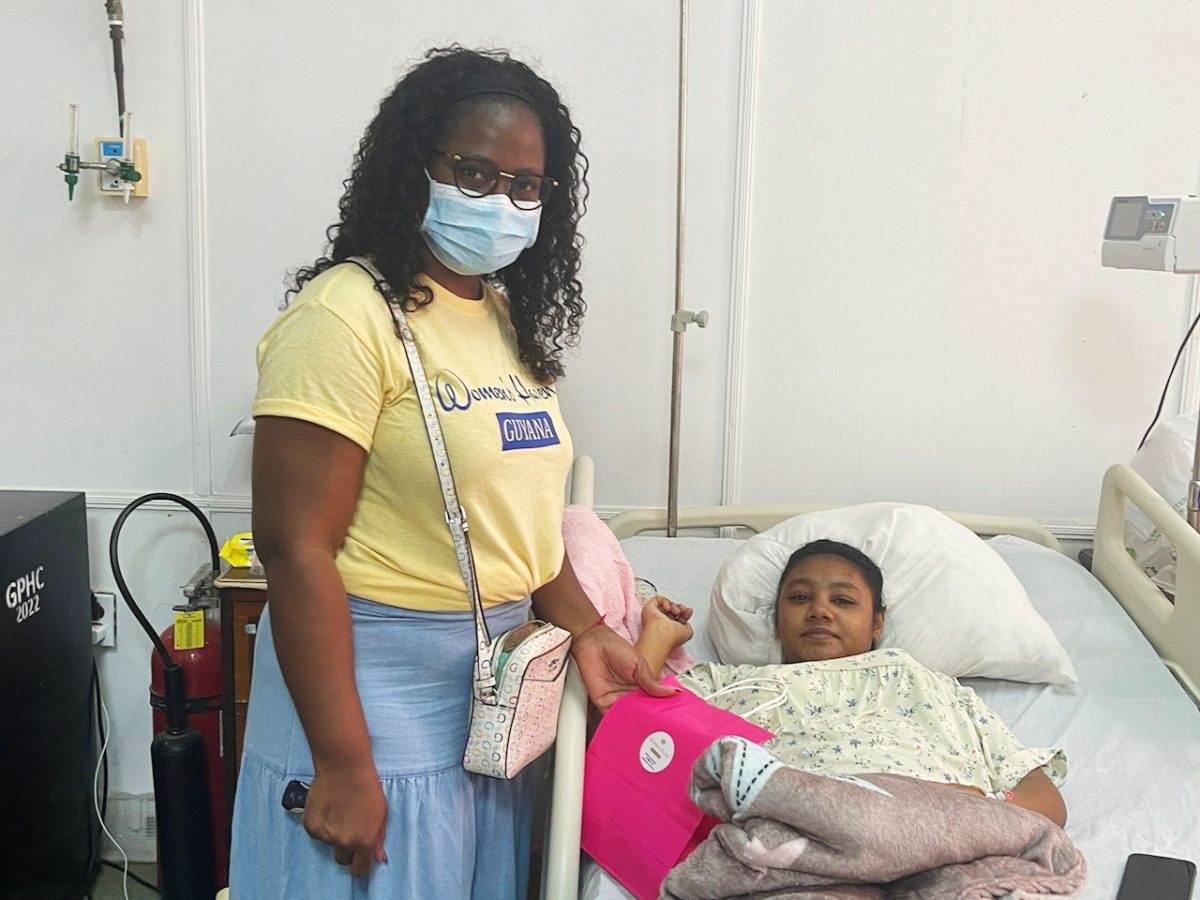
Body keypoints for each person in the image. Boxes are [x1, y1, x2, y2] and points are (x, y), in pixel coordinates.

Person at [229, 46, 670, 899]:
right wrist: (343, 764)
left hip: (492, 697)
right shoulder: (344, 317)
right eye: (473, 171)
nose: (500, 201)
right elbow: (294, 550)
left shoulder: (500, 314)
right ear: (412, 167)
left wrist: (586, 630)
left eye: (525, 186)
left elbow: (517, 530)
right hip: (369, 698)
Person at [635, 539, 1068, 827]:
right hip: (802, 835)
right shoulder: (727, 684)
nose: (820, 610)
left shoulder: (930, 684)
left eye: (842, 600)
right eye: (800, 597)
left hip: (944, 827)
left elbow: (1041, 800)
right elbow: (632, 737)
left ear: (877, 622)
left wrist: (969, 811)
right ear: (775, 619)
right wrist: (658, 638)